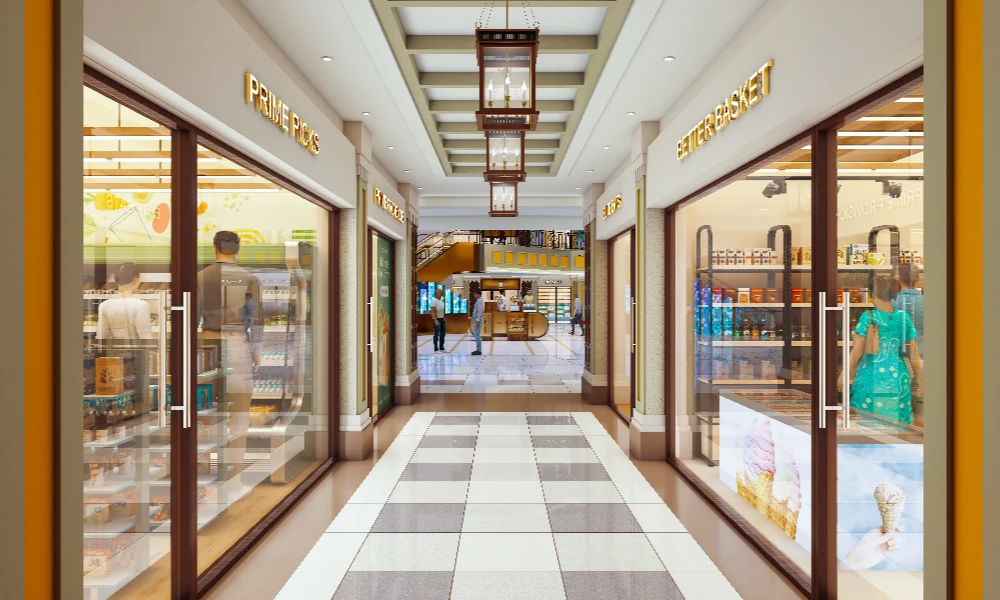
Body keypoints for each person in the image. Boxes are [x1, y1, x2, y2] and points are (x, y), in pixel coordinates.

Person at [198, 231, 262, 486]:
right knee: (239, 414)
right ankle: (234, 478)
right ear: (237, 249)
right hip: (237, 343)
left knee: (206, 411)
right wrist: (256, 350)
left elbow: (189, 318)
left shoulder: (200, 277)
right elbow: (257, 320)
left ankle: (204, 476)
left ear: (215, 248)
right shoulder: (250, 279)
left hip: (206, 345)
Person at [847, 276, 924, 425]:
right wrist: (920, 381)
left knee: (868, 424)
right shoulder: (903, 318)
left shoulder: (868, 317)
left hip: (871, 376)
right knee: (896, 424)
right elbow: (914, 352)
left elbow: (857, 350)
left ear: (872, 295)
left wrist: (846, 373)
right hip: (898, 377)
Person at [97, 262, 153, 341]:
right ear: (136, 279)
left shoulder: (104, 305)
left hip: (113, 348)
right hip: (134, 348)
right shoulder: (141, 305)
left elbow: (100, 338)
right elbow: (146, 339)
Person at [892, 262, 924, 357]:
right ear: (917, 278)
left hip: (899, 355)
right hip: (923, 352)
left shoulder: (893, 302)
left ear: (897, 278)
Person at [430, 287, 447, 353]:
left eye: (441, 293)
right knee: (436, 334)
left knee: (442, 334)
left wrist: (444, 318)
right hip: (437, 319)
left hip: (442, 319)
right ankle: (436, 349)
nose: (441, 294)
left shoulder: (441, 301)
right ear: (436, 293)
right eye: (440, 293)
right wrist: (435, 320)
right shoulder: (434, 301)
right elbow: (433, 311)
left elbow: (442, 311)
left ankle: (441, 348)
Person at [470, 290, 484, 356]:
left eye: (475, 294)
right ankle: (478, 349)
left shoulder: (480, 301)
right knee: (476, 334)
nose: (474, 295)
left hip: (478, 319)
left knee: (477, 335)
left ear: (478, 294)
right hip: (476, 318)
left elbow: (479, 311)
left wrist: (477, 320)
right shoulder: (478, 301)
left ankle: (479, 350)